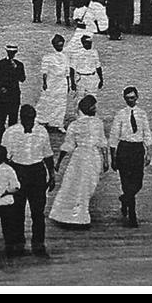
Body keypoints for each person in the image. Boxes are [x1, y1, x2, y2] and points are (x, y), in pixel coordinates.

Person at [3, 104, 55, 257]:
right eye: (26, 119)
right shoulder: (10, 132)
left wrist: (51, 175)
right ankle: (18, 243)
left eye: (31, 119)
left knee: (38, 212)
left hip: (37, 172)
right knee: (17, 210)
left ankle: (39, 243)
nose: (29, 122)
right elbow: (4, 158)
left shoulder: (41, 131)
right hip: (18, 172)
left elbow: (48, 155)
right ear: (21, 118)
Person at [49, 95, 109, 227]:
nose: (95, 108)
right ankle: (78, 216)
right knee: (84, 186)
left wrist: (59, 162)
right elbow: (102, 143)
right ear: (88, 108)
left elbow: (68, 146)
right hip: (90, 156)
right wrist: (105, 160)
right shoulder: (90, 123)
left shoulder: (82, 124)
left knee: (76, 185)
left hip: (80, 157)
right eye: (93, 106)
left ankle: (72, 214)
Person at [109, 86, 152, 226]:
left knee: (138, 182)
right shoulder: (120, 114)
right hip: (124, 149)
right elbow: (114, 137)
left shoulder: (142, 114)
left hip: (137, 149)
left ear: (137, 97)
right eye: (128, 98)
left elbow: (147, 133)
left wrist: (148, 153)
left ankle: (125, 199)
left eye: (133, 98)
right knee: (126, 182)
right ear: (124, 99)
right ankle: (132, 215)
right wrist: (113, 158)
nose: (130, 101)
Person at [36, 34, 71, 133]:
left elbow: (67, 72)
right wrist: (44, 83)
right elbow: (44, 71)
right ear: (54, 45)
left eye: (61, 45)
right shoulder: (48, 57)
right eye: (58, 45)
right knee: (48, 101)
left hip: (62, 82)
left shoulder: (65, 57)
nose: (60, 47)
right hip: (51, 81)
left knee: (61, 103)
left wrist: (68, 84)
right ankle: (44, 121)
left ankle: (58, 123)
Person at [0, 43, 26, 143]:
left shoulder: (19, 64)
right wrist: (0, 88)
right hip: (2, 97)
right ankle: (1, 140)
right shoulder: (0, 63)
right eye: (10, 52)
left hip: (14, 96)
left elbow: (22, 79)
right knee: (0, 120)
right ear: (7, 52)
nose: (11, 54)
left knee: (13, 120)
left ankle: (11, 140)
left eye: (13, 53)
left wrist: (16, 68)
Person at [69, 34, 103, 98]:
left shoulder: (94, 52)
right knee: (80, 98)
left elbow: (98, 66)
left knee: (92, 97)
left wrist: (101, 79)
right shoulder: (76, 54)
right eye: (87, 43)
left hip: (92, 78)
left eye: (90, 43)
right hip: (81, 78)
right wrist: (72, 82)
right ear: (83, 43)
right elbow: (72, 69)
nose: (89, 44)